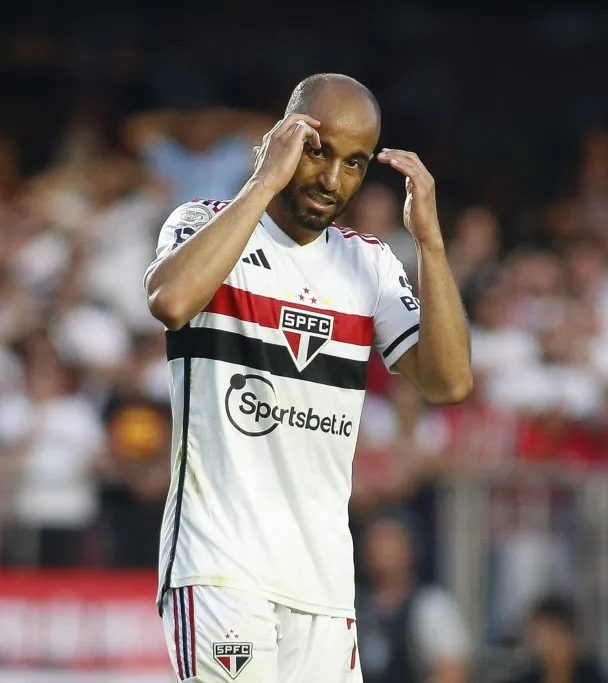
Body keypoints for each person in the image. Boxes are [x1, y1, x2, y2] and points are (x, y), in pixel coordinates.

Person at [143, 73, 472, 682]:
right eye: (318, 149)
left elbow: (449, 382)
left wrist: (428, 243)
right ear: (283, 138)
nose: (331, 179)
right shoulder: (202, 221)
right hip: (221, 566)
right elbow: (171, 301)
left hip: (322, 584)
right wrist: (265, 179)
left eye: (354, 163)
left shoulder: (367, 263)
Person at [355, 511, 473, 683]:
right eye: (374, 542)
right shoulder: (355, 604)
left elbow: (453, 671)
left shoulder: (431, 605)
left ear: (410, 548)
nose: (380, 550)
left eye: (390, 541)